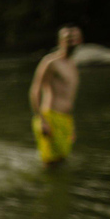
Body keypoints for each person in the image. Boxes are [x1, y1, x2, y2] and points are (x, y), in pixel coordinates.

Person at [29, 25, 81, 166]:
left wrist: (72, 125)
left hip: (66, 119)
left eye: (75, 38)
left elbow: (70, 97)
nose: (72, 41)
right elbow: (35, 90)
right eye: (68, 38)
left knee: (63, 160)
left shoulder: (72, 65)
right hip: (50, 117)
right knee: (51, 164)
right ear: (60, 41)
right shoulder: (50, 62)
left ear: (80, 40)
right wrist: (42, 120)